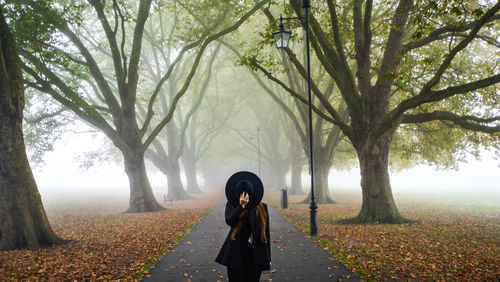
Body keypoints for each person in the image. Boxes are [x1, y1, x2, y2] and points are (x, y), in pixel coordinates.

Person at [215, 172, 271, 282]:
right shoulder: (231, 205)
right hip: (235, 254)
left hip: (255, 255)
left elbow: (266, 233)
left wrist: (268, 257)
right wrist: (241, 207)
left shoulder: (262, 207)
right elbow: (230, 221)